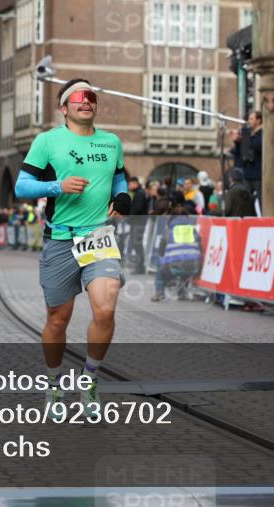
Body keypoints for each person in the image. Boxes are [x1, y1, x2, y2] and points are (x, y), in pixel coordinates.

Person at [14, 78, 128, 417]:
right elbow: (22, 187)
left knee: (105, 310)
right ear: (64, 108)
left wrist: (123, 195)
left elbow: (119, 177)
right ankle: (53, 382)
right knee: (58, 320)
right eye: (77, 97)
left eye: (90, 96)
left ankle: (89, 380)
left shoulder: (111, 142)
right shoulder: (47, 141)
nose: (85, 101)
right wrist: (57, 186)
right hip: (61, 239)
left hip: (97, 237)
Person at [151, 198, 202, 302]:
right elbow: (199, 246)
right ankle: (182, 293)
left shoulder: (169, 230)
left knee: (160, 267)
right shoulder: (192, 229)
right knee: (186, 264)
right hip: (194, 266)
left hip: (175, 266)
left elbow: (161, 250)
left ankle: (159, 293)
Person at [230, 110, 263, 211]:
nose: (249, 121)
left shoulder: (262, 133)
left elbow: (257, 146)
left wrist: (245, 136)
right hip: (247, 173)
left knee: (260, 201)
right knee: (245, 201)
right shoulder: (249, 135)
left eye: (251, 119)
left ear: (258, 120)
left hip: (258, 174)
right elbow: (241, 153)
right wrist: (237, 142)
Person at [126, 176, 148, 274]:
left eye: (130, 184)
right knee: (136, 244)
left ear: (135, 183)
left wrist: (129, 218)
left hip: (138, 223)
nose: (129, 186)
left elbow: (137, 209)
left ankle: (140, 266)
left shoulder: (139, 193)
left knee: (137, 244)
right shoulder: (138, 193)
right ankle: (139, 266)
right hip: (137, 222)